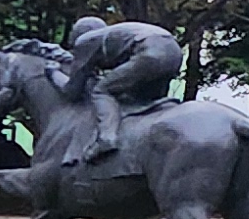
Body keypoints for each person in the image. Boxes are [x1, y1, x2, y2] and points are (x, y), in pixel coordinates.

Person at [61, 13, 188, 163]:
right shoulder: (115, 34)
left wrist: (53, 73)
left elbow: (72, 91)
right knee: (147, 102)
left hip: (150, 53)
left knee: (102, 90)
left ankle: (106, 138)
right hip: (174, 51)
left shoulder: (86, 40)